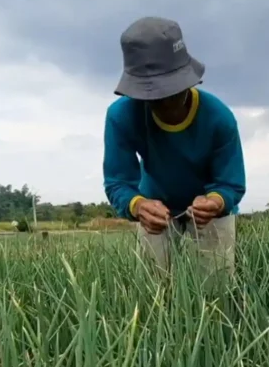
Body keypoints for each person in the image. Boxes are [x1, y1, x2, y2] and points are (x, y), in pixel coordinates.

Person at [103, 16, 246, 274]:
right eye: (155, 98)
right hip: (154, 207)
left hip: (211, 212)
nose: (167, 105)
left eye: (173, 93)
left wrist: (215, 201)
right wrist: (138, 206)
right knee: (154, 293)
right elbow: (118, 182)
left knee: (214, 293)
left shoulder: (219, 118)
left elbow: (231, 183)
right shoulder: (121, 116)